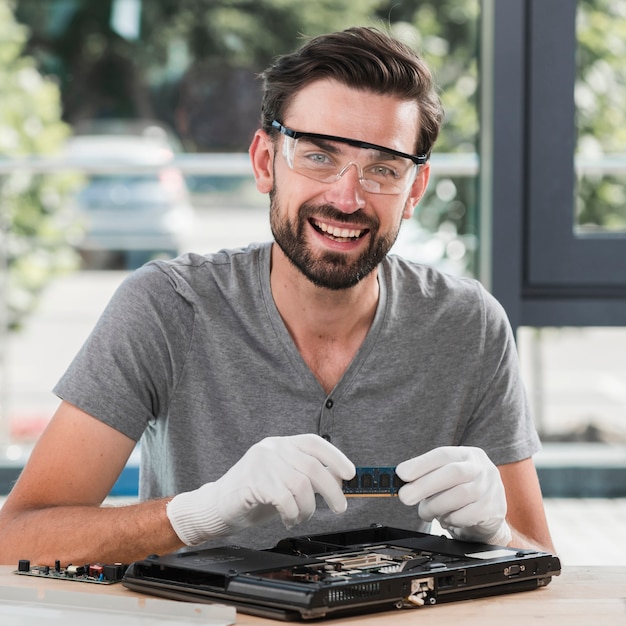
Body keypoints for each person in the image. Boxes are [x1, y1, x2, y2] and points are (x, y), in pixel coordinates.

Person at [0, 26, 555, 566]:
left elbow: (541, 558)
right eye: (318, 156)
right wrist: (199, 514)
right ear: (266, 162)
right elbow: (16, 538)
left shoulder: (468, 325)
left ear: (414, 190)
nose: (347, 197)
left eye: (383, 169)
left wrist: (495, 531)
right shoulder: (167, 308)